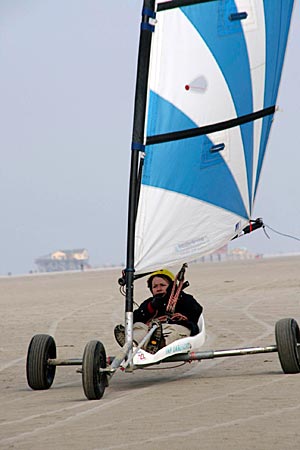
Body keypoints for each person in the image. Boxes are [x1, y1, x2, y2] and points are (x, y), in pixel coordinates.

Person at [114, 268, 203, 354]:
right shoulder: (150, 302)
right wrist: (151, 307)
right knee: (139, 326)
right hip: (153, 330)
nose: (159, 288)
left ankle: (160, 342)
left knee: (170, 331)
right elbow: (134, 318)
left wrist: (177, 296)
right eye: (155, 286)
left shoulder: (183, 298)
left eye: (162, 285)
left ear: (172, 286)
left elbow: (196, 310)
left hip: (177, 328)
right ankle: (132, 344)